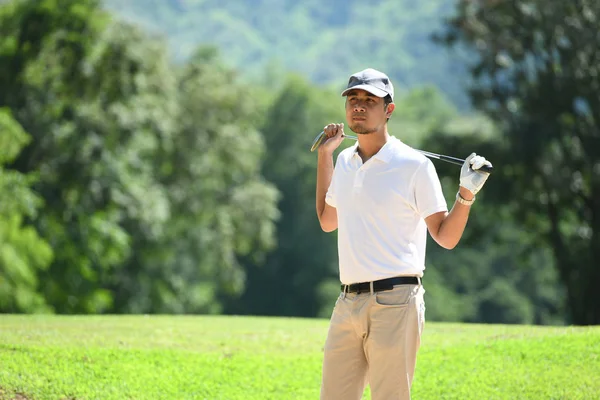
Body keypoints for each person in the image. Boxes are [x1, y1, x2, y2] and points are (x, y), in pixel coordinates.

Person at [315, 68, 492, 400]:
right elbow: (327, 219)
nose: (359, 106)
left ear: (389, 110)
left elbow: (445, 236)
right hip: (347, 302)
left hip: (396, 301)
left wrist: (466, 193)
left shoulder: (414, 165)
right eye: (354, 99)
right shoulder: (344, 161)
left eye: (370, 100)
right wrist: (324, 156)